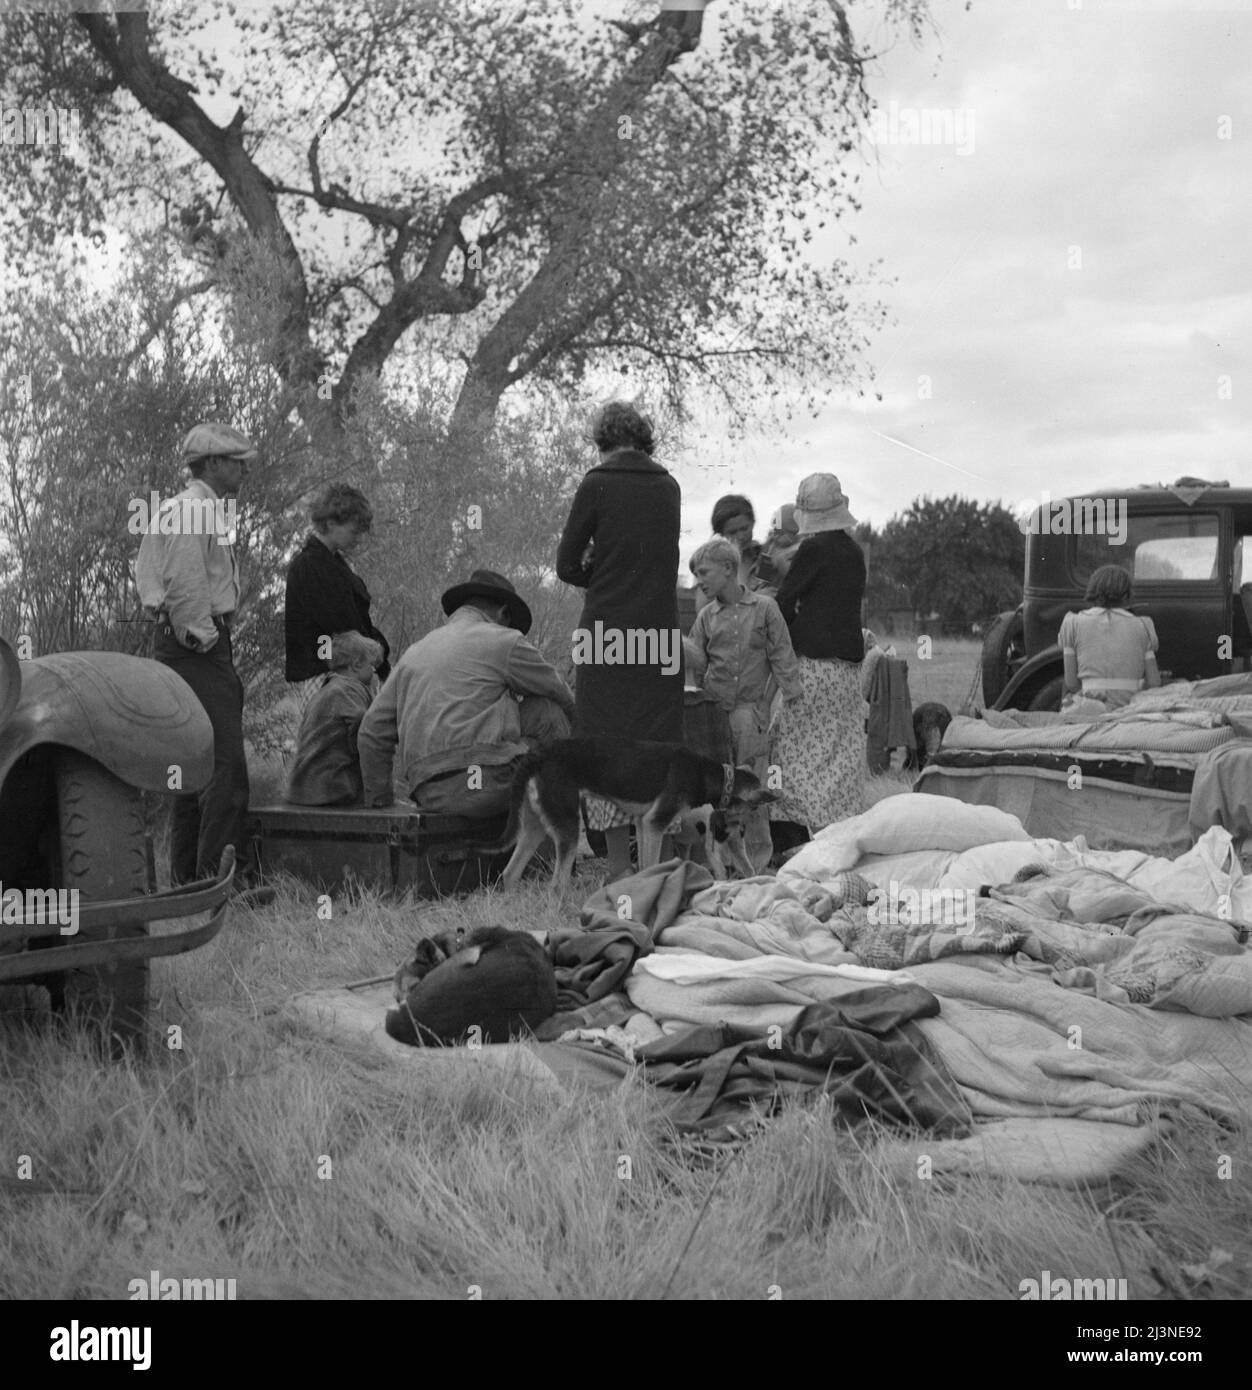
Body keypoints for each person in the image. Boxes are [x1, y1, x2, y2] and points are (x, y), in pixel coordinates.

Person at [556, 401, 683, 881]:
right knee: (660, 740)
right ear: (645, 439)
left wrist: (596, 567)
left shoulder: (597, 483)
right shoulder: (668, 486)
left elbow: (565, 565)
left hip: (607, 633)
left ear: (602, 441)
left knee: (603, 740)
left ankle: (617, 866)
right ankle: (665, 862)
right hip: (659, 634)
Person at [135, 421, 256, 886]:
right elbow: (184, 585)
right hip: (197, 648)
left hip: (183, 646)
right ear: (213, 463)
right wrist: (204, 638)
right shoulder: (193, 509)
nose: (244, 471)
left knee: (189, 767)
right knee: (225, 767)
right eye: (237, 462)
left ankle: (189, 881)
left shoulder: (187, 507)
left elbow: (154, 576)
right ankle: (221, 883)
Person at [356, 569, 573, 816]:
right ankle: (547, 850)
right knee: (548, 711)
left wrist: (382, 804)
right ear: (503, 613)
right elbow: (561, 693)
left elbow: (371, 731)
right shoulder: (504, 640)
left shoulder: (413, 653)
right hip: (484, 784)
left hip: (432, 794)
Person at [685, 536, 802, 871]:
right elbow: (696, 661)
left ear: (728, 569)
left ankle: (756, 864)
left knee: (752, 789)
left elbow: (782, 657)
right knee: (715, 789)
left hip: (750, 712)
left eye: (704, 572)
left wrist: (766, 705)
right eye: (695, 575)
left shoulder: (765, 608)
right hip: (714, 715)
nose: (700, 581)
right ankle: (717, 863)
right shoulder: (706, 617)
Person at [768, 473, 867, 844]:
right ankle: (836, 835)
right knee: (838, 752)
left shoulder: (814, 550)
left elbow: (785, 603)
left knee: (793, 750)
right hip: (847, 669)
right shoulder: (853, 553)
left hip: (812, 665)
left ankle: (792, 838)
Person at [285, 483, 391, 684]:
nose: (358, 539)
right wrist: (377, 655)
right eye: (354, 531)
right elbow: (344, 624)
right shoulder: (311, 565)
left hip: (347, 670)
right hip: (325, 674)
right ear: (331, 523)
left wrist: (381, 656)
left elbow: (358, 622)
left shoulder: (333, 564)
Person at [285, 632, 382, 806]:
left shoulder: (323, 691)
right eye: (372, 665)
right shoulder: (349, 688)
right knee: (382, 798)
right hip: (330, 788)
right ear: (356, 665)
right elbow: (365, 725)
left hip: (301, 790)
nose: (375, 670)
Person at [1059, 565, 1160, 711]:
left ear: (1093, 590)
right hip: (1127, 707)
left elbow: (1071, 682)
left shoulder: (1071, 623)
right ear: (1127, 594)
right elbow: (1154, 682)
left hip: (1089, 708)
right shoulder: (1143, 625)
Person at [710, 494, 779, 594]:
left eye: (744, 529)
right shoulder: (713, 563)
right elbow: (704, 606)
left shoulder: (765, 556)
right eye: (732, 532)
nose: (741, 536)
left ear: (753, 523)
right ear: (722, 534)